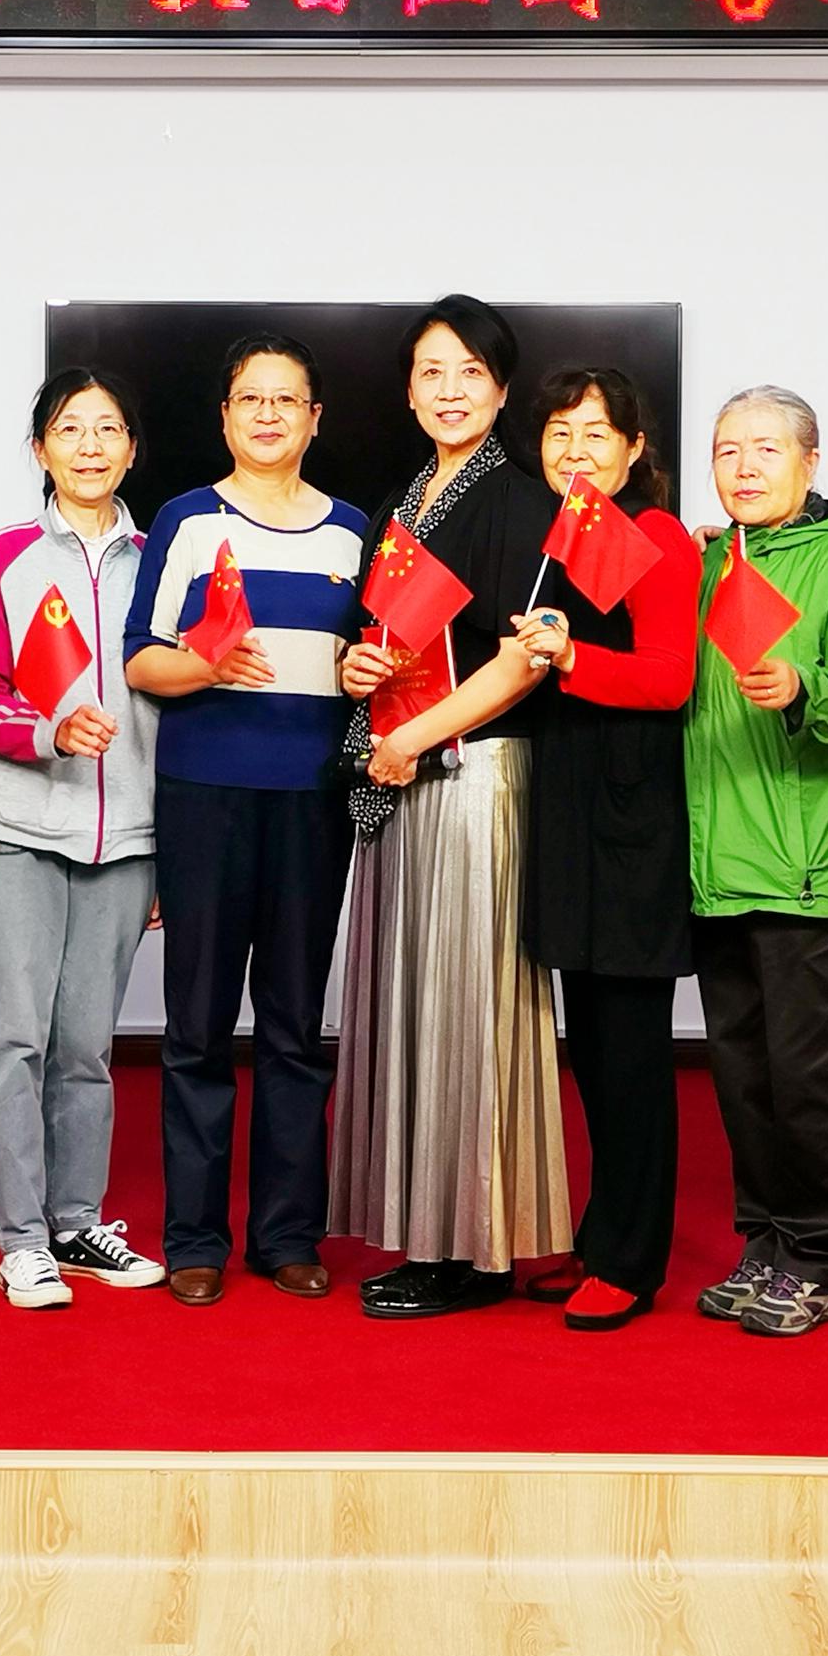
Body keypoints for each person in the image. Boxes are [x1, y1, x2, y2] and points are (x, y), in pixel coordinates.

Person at [122, 333, 372, 1306]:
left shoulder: (352, 530)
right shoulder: (186, 519)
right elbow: (142, 658)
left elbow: (368, 659)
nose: (268, 415)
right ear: (224, 416)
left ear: (315, 418)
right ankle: (194, 1238)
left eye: (286, 399)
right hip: (205, 797)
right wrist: (205, 664)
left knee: (294, 1026)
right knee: (195, 1025)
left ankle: (286, 1234)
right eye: (249, 399)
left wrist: (367, 671)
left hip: (312, 801)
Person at [330, 296, 567, 1320]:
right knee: (415, 1004)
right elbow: (386, 645)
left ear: (502, 389)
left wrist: (411, 737)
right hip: (403, 772)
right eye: (430, 372)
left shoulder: (520, 500)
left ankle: (476, 1248)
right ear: (407, 390)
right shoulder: (401, 502)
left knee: (470, 1006)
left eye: (470, 371)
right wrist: (356, 671)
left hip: (472, 776)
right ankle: (428, 1231)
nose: (449, 389)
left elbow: (521, 661)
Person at [685, 386, 828, 1339]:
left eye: (765, 449)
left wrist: (804, 684)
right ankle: (762, 1244)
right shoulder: (706, 563)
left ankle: (814, 1256)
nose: (742, 467)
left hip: (807, 869)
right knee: (739, 1073)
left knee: (801, 1076)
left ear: (810, 463)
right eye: (726, 449)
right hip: (716, 864)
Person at [0, 368, 168, 1310]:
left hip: (125, 836)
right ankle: (22, 1240)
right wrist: (49, 732)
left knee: (86, 1046)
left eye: (107, 428)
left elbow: (179, 702)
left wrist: (167, 848)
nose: (88, 445)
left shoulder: (161, 557)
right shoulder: (6, 552)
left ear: (132, 448)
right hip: (14, 826)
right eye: (69, 428)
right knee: (14, 1041)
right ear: (40, 448)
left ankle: (78, 1222)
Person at [510, 366, 701, 1332]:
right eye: (558, 431)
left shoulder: (654, 535)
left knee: (627, 1049)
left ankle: (631, 1258)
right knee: (589, 1043)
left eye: (595, 433)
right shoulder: (564, 537)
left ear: (633, 448)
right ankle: (600, 1233)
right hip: (571, 806)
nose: (575, 450)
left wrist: (573, 656)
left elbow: (669, 679)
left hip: (632, 818)